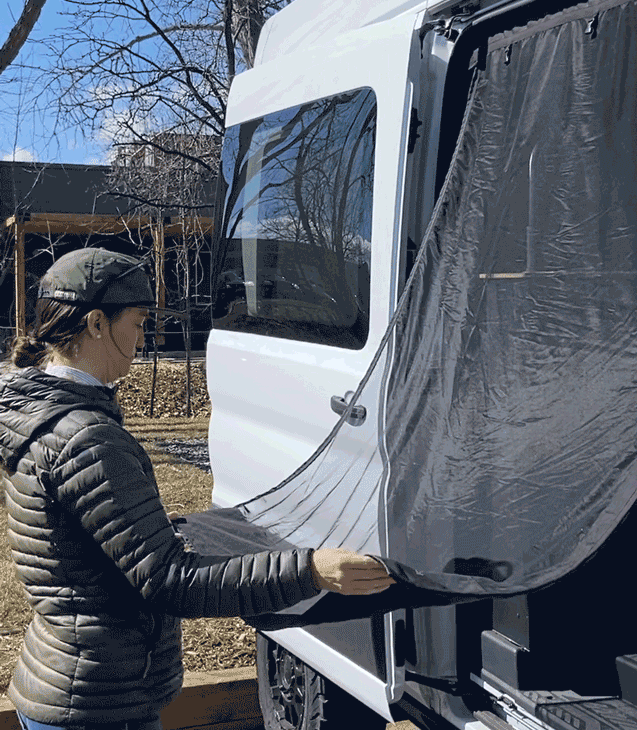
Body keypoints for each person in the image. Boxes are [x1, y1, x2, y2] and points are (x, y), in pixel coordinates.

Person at [0, 247, 394, 730]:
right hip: (99, 705)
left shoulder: (42, 413)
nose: (144, 339)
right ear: (98, 324)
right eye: (139, 322)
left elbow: (84, 551)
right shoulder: (87, 438)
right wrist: (311, 570)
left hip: (68, 685)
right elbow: (171, 583)